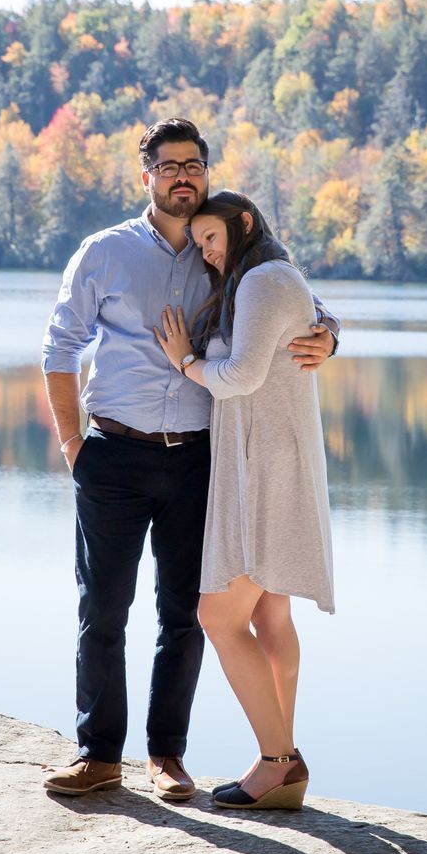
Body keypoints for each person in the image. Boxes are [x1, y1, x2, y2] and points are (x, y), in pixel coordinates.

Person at [38, 118, 340, 802]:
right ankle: (98, 754)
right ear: (145, 176)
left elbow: (307, 306)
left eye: (194, 165)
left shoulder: (227, 253)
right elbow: (59, 349)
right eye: (169, 165)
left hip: (202, 463)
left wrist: (331, 337)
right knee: (103, 609)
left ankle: (167, 757)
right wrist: (73, 446)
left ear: (206, 175)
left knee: (185, 614)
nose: (183, 175)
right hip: (113, 454)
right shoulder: (105, 253)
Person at [152, 190, 333, 811]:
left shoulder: (260, 280)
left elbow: (243, 377)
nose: (205, 252)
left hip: (266, 466)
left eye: (211, 238)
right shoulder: (272, 275)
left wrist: (185, 363)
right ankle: (284, 754)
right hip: (276, 457)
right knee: (269, 616)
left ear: (244, 224)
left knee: (218, 616)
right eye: (197, 242)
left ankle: (278, 761)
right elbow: (299, 323)